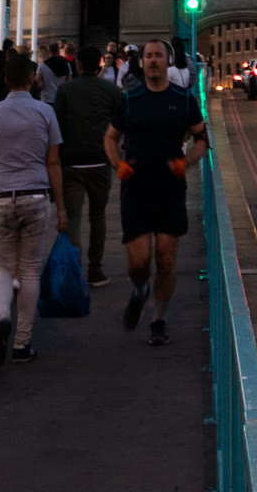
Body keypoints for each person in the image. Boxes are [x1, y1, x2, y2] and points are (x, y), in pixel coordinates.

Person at [104, 38, 208, 347]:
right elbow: (110, 138)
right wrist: (118, 164)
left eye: (158, 56)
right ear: (142, 62)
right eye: (148, 56)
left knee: (165, 258)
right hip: (136, 187)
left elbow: (202, 139)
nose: (152, 60)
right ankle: (140, 289)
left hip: (170, 188)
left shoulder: (184, 99)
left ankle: (158, 319)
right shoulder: (130, 100)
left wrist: (186, 162)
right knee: (139, 263)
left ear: (167, 61)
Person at [0, 49, 68, 368]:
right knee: (29, 270)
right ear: (32, 79)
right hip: (36, 195)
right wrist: (62, 209)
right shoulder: (45, 113)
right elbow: (53, 163)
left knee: (2, 268)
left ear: (5, 80)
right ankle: (21, 343)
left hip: (1, 196)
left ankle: (2, 316)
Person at [54, 43, 118, 289]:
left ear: (78, 64)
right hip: (101, 161)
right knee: (98, 216)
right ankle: (95, 269)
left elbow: (56, 126)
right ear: (100, 65)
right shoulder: (111, 90)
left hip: (72, 163)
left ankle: (74, 271)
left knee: (73, 219)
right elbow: (121, 124)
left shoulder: (66, 90)